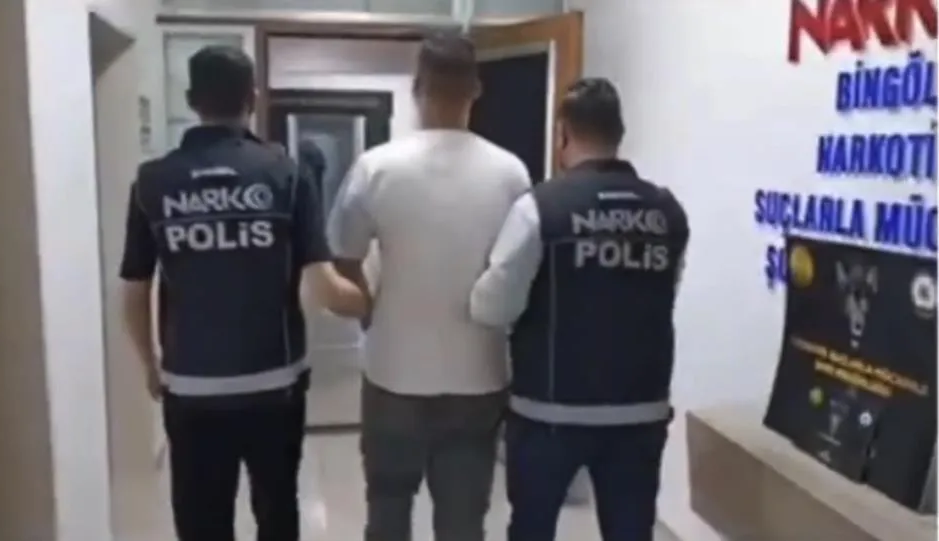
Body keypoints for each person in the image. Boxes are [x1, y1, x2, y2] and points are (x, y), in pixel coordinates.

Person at [119, 45, 368, 541]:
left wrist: (151, 363)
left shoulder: (153, 182)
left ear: (191, 100)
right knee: (276, 513)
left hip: (190, 385)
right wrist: (372, 301)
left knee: (201, 519)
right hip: (273, 385)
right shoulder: (286, 174)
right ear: (252, 98)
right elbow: (323, 287)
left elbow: (133, 291)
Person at [327, 31, 532, 541]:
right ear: (476, 89)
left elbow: (343, 260)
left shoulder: (376, 167)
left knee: (388, 512)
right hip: (478, 374)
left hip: (393, 372)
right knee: (463, 522)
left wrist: (369, 312)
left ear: (417, 86)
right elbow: (522, 270)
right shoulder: (511, 173)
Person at [469, 78, 690, 541]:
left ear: (563, 133)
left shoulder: (540, 208)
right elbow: (665, 291)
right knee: (631, 532)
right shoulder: (668, 213)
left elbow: (493, 307)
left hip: (550, 412)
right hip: (640, 410)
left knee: (532, 529)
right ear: (619, 133)